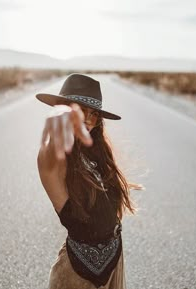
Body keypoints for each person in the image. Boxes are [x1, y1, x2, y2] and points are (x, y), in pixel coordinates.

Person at [36, 73, 145, 289]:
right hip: (77, 275)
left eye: (93, 114)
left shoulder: (96, 152)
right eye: (78, 110)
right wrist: (59, 118)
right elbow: (48, 156)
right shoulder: (56, 159)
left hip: (114, 263)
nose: (87, 120)